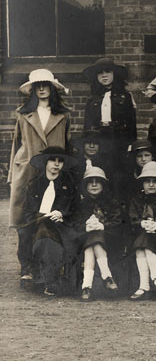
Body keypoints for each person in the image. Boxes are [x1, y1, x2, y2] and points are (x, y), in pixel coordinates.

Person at [10, 69, 71, 278]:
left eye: (46, 85)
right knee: (25, 219)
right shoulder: (23, 113)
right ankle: (26, 266)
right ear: (32, 89)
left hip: (53, 170)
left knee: (51, 216)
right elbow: (16, 144)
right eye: (38, 85)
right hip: (27, 171)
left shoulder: (63, 115)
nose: (42, 89)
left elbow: (68, 145)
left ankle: (50, 264)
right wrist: (14, 173)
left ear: (52, 88)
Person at [20, 147, 78, 296]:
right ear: (46, 162)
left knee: (48, 230)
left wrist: (61, 213)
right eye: (53, 160)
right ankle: (36, 273)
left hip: (60, 225)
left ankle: (42, 276)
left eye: (60, 161)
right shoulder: (34, 185)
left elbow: (74, 209)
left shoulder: (69, 186)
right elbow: (28, 211)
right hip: (35, 223)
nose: (56, 164)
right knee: (33, 230)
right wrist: (41, 216)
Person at [73, 165, 123, 302]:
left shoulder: (112, 203)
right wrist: (86, 227)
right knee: (91, 238)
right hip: (85, 240)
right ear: (85, 186)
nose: (94, 184)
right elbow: (75, 224)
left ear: (103, 184)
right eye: (90, 182)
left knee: (93, 240)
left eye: (98, 181)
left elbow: (118, 222)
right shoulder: (81, 204)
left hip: (109, 240)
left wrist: (102, 226)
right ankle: (107, 276)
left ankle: (86, 285)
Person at [127, 161, 156, 300]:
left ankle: (145, 284)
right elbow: (132, 218)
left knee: (143, 242)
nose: (151, 184)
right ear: (142, 183)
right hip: (141, 234)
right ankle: (154, 278)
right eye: (147, 181)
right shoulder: (136, 200)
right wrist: (142, 223)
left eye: (155, 181)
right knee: (141, 242)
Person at [82, 57, 137, 161]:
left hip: (119, 138)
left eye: (107, 71)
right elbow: (87, 124)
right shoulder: (92, 99)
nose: (104, 75)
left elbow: (131, 123)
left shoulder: (125, 97)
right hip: (99, 138)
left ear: (114, 74)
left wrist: (131, 144)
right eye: (100, 73)